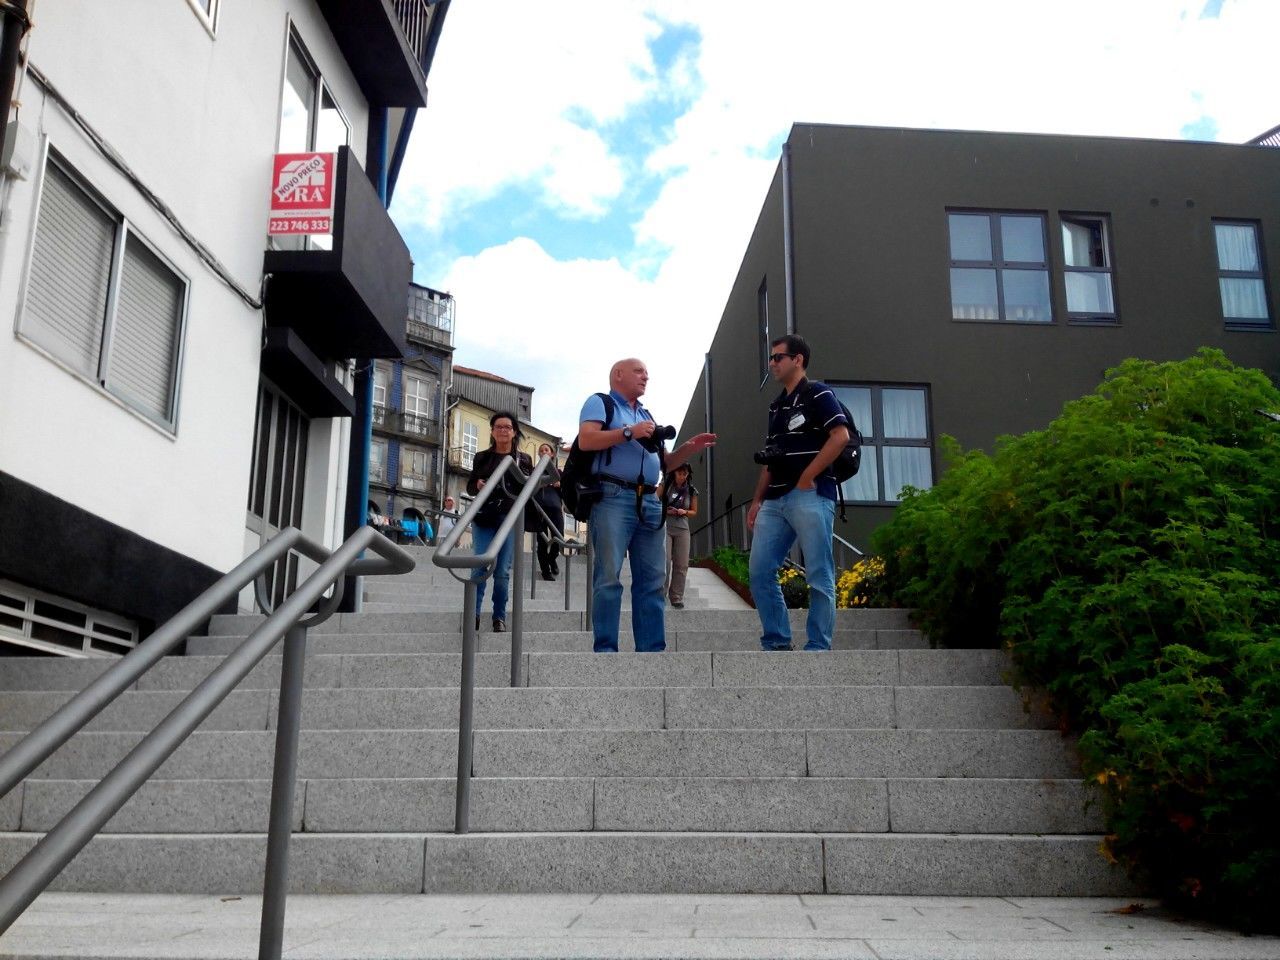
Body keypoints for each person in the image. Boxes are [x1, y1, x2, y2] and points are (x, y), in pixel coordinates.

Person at [578, 358, 715, 653]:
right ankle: (605, 650)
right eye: (639, 372)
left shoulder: (645, 413)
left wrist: (690, 447)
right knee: (609, 576)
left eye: (647, 374)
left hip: (650, 499)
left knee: (653, 579)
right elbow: (587, 440)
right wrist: (629, 432)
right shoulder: (601, 403)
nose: (646, 377)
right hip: (612, 495)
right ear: (618, 375)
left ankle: (652, 651)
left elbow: (665, 463)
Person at [747, 334, 850, 651]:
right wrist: (756, 501)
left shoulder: (818, 393)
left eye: (778, 357)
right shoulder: (776, 405)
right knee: (760, 571)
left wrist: (808, 475)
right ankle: (777, 640)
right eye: (771, 358)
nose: (772, 363)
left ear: (798, 360)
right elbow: (771, 457)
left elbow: (840, 436)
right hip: (774, 501)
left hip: (811, 495)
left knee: (818, 571)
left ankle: (818, 645)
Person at [466, 411, 533, 632]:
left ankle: (499, 617)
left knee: (503, 571)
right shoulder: (482, 457)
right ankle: (472, 615)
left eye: (507, 427)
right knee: (479, 565)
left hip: (510, 519)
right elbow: (469, 486)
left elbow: (528, 489)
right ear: (493, 431)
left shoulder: (523, 459)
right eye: (498, 427)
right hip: (484, 516)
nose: (503, 431)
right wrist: (477, 485)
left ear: (514, 432)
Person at [663, 463, 698, 609]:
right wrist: (667, 510)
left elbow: (694, 511)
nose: (682, 477)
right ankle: (660, 593)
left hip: (682, 528)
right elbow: (655, 503)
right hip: (666, 527)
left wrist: (685, 512)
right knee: (665, 562)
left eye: (685, 474)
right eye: (680, 473)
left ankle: (676, 596)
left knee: (682, 563)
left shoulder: (692, 491)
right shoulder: (665, 486)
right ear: (674, 473)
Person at [528, 442, 564, 580]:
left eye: (546, 450)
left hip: (555, 508)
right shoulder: (533, 471)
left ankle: (552, 558)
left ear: (552, 454)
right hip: (538, 508)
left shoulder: (558, 473)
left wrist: (559, 485)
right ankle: (545, 571)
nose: (543, 452)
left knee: (558, 537)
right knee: (542, 541)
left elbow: (566, 491)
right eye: (541, 450)